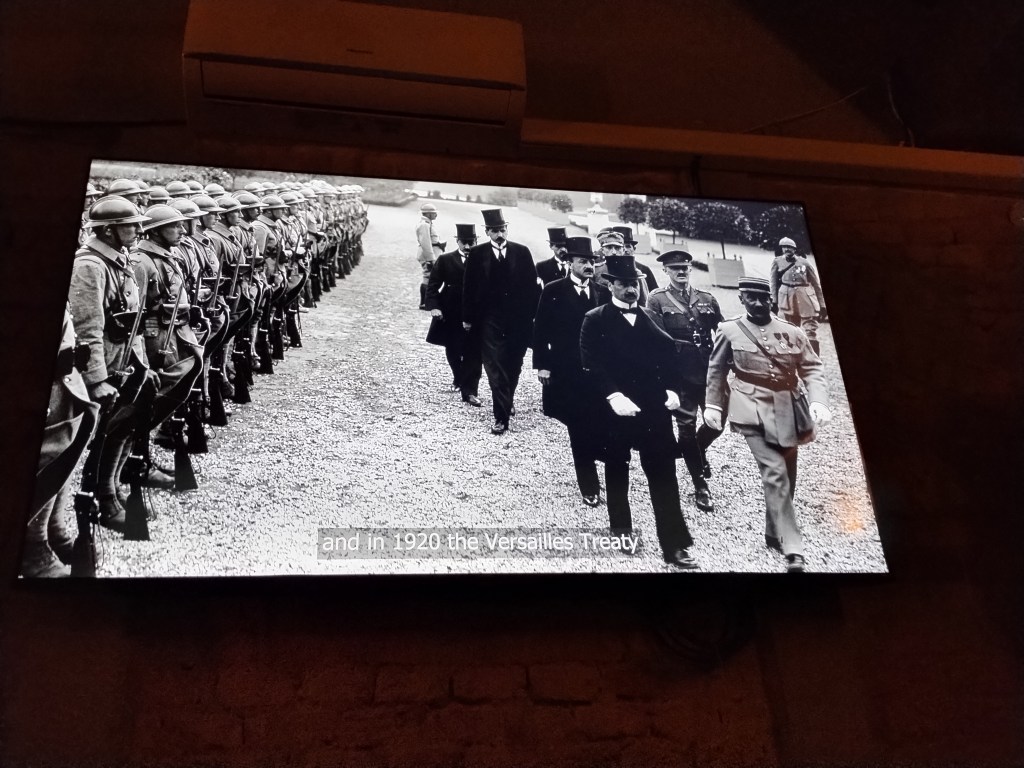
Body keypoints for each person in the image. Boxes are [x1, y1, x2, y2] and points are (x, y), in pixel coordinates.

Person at [704, 277, 832, 572]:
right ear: (741, 299)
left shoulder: (793, 332)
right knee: (775, 472)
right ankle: (793, 547)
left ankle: (773, 533)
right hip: (749, 408)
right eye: (751, 298)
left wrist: (819, 400)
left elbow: (812, 368)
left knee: (788, 473)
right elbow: (716, 369)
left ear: (771, 299)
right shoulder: (729, 330)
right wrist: (713, 405)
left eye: (763, 298)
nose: (758, 303)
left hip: (790, 407)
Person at [580, 255, 698, 569]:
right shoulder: (595, 319)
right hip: (615, 410)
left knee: (664, 474)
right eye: (624, 284)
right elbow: (591, 364)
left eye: (634, 284)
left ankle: (674, 545)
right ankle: (622, 532)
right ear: (610, 286)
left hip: (653, 410)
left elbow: (669, 356)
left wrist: (672, 389)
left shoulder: (649, 316)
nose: (631, 289)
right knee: (617, 469)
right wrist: (613, 395)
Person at [69, 196, 156, 532]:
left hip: (125, 361)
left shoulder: (119, 258)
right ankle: (99, 498)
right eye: (130, 225)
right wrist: (96, 379)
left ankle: (111, 487)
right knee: (98, 434)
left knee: (123, 424)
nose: (138, 230)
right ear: (108, 230)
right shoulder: (90, 266)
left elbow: (132, 319)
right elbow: (87, 327)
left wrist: (142, 364)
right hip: (104, 365)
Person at [21, 305, 99, 576]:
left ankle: (52, 530)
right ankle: (33, 548)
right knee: (47, 455)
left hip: (64, 372)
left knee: (63, 448)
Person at [533, 236, 610, 506]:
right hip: (567, 370)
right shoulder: (553, 290)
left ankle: (597, 458)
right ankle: (589, 484)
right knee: (578, 425)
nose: (589, 266)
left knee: (600, 422)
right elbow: (540, 330)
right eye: (583, 261)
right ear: (570, 263)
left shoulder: (602, 292)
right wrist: (543, 365)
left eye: (592, 261)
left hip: (598, 371)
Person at [646, 250, 723, 512]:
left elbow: (721, 331)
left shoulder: (707, 298)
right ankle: (700, 484)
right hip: (679, 373)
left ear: (690, 270)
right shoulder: (657, 299)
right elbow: (655, 338)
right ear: (666, 271)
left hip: (708, 371)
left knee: (717, 423)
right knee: (686, 428)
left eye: (685, 268)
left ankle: (696, 452)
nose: (681, 272)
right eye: (675, 268)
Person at [462, 208, 540, 434]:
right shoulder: (477, 254)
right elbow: (469, 287)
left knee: (514, 364)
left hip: (518, 319)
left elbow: (532, 287)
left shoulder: (522, 252)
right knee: (494, 365)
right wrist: (467, 318)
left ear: (507, 229)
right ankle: (501, 418)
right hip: (489, 319)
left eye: (502, 229)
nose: (499, 234)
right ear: (487, 232)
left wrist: (533, 316)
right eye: (495, 231)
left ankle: (507, 399)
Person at [425, 223, 483, 406]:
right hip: (451, 309)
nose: (467, 246)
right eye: (463, 242)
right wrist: (434, 307)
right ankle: (458, 377)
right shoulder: (445, 259)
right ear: (457, 241)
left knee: (474, 350)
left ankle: (470, 390)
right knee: (453, 347)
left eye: (471, 242)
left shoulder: (483, 260)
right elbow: (433, 285)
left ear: (476, 241)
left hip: (475, 310)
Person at [769, 236, 827, 356]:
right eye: (784, 247)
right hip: (787, 300)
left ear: (794, 249)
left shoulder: (804, 262)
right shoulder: (777, 262)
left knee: (810, 330)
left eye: (789, 247)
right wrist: (774, 301)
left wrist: (822, 305)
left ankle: (815, 358)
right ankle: (793, 357)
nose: (786, 249)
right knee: (790, 330)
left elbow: (816, 285)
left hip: (805, 299)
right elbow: (773, 282)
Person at [596, 230, 649, 306]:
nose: (614, 252)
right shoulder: (596, 271)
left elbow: (643, 301)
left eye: (617, 248)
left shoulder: (635, 273)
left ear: (623, 250)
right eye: (609, 247)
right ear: (602, 250)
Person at [609, 225, 658, 293]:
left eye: (628, 246)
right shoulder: (607, 269)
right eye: (620, 247)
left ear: (634, 249)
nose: (625, 250)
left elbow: (654, 293)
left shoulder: (644, 270)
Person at [415, 203, 444, 309]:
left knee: (430, 277)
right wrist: (430, 259)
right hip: (428, 255)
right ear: (427, 214)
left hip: (432, 253)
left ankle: (427, 302)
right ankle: (424, 303)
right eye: (433, 213)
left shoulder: (428, 223)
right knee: (428, 277)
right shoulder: (424, 225)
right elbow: (426, 243)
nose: (436, 215)